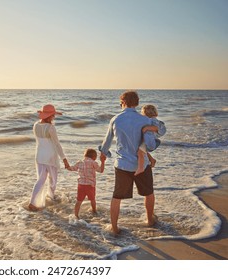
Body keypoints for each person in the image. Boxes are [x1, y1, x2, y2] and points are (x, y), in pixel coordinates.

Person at [99, 91, 157, 235]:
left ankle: (114, 227)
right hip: (141, 166)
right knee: (148, 193)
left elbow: (106, 143)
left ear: (123, 102)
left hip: (122, 165)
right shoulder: (145, 120)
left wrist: (103, 155)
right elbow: (148, 143)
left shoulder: (115, 119)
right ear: (136, 103)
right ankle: (150, 221)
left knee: (117, 197)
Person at [28, 104, 70, 211]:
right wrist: (64, 158)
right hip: (50, 156)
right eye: (53, 115)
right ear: (50, 116)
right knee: (53, 180)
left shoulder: (35, 125)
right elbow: (56, 144)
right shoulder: (51, 128)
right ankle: (50, 197)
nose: (54, 117)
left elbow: (40, 141)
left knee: (40, 180)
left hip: (39, 156)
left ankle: (32, 202)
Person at [67, 148, 104, 219]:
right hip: (90, 185)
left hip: (81, 185)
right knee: (92, 199)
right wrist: (103, 162)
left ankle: (76, 215)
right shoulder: (93, 162)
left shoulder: (80, 162)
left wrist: (67, 166)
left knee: (79, 201)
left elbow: (72, 168)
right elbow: (101, 170)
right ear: (94, 157)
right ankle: (94, 211)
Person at [135, 104, 166, 176]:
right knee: (142, 150)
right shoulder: (155, 120)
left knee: (140, 152)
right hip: (151, 139)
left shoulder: (151, 120)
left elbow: (157, 128)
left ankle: (141, 168)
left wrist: (147, 128)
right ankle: (152, 160)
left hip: (151, 141)